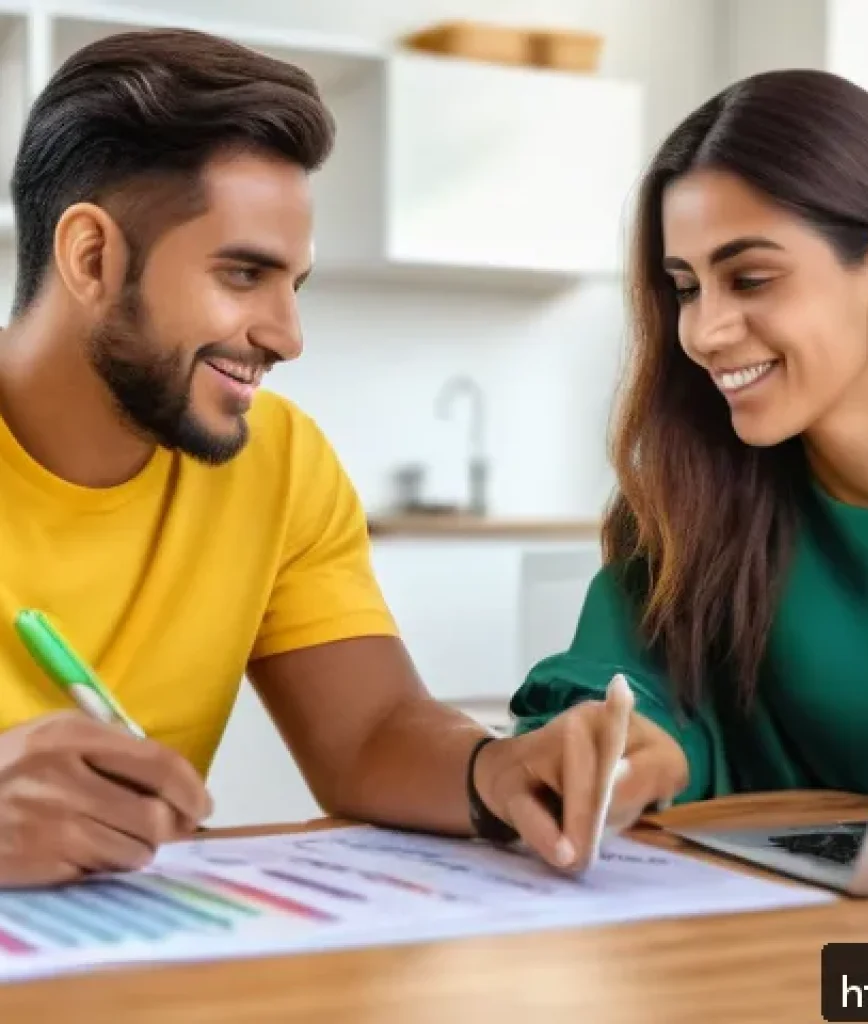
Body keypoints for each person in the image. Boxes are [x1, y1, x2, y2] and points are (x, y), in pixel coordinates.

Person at [0, 27, 679, 887]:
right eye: (244, 275)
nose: (287, 336)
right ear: (92, 257)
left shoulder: (277, 462)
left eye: (295, 284)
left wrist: (497, 770)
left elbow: (369, 731)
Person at [511, 68, 868, 805]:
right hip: (797, 921)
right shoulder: (686, 503)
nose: (704, 332)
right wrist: (627, 749)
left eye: (749, 279)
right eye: (686, 287)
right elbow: (612, 690)